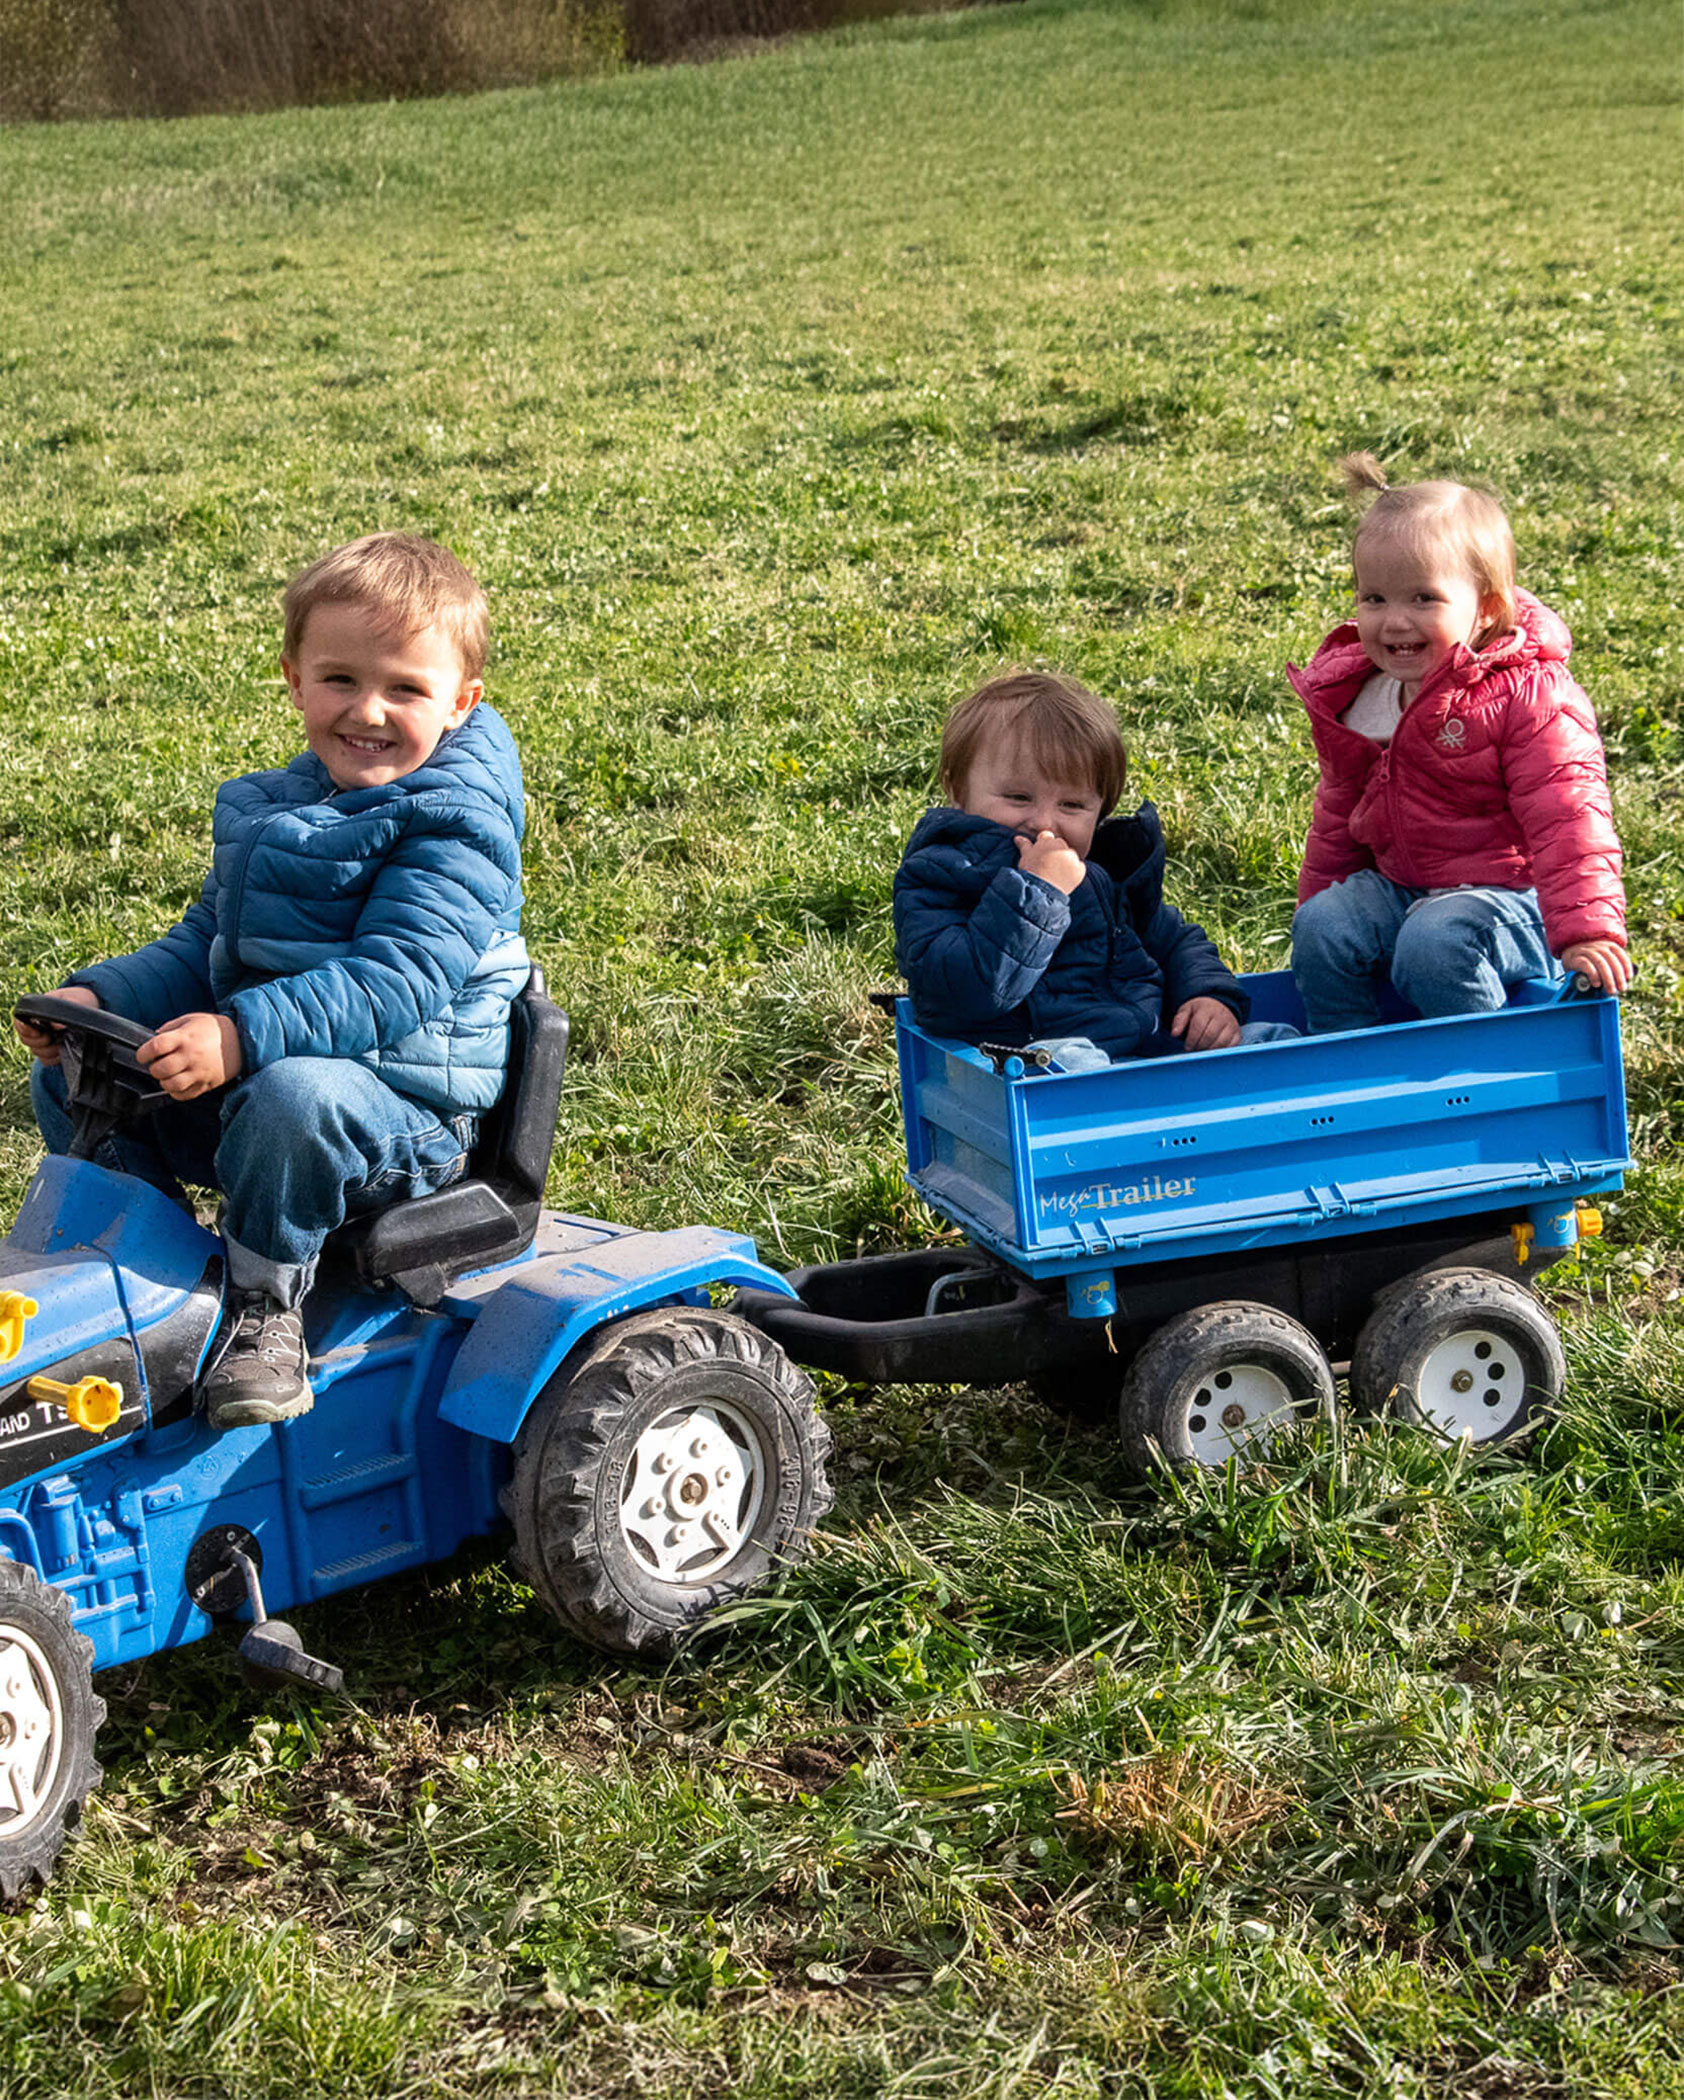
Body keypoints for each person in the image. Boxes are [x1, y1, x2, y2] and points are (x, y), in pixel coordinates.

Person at [15, 533, 527, 1429]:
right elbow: (204, 944)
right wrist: (102, 998)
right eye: (341, 680)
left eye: (406, 687)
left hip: (407, 1123)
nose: (369, 710)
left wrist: (239, 1034)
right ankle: (165, 1286)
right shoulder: (277, 808)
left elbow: (394, 979)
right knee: (76, 1079)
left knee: (299, 1099)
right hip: (271, 1087)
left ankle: (264, 1307)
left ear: (460, 703)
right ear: (294, 679)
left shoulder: (456, 826)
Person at [1290, 454, 1630, 1034]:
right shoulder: (1362, 696)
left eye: (1423, 599)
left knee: (1434, 941)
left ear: (1486, 610)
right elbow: (1339, 817)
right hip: (1404, 886)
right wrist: (1315, 909)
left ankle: (1483, 1075)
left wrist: (1587, 929)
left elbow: (1568, 818)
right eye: (1374, 598)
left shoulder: (1528, 695)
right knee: (1324, 926)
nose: (1394, 620)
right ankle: (1347, 1062)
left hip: (1513, 903)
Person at [893, 670, 1290, 1068]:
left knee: (1275, 1041)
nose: (1045, 823)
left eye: (1072, 806)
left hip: (1139, 1048)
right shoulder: (940, 874)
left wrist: (1207, 995)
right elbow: (964, 992)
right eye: (1018, 797)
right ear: (957, 790)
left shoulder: (1105, 870)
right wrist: (1036, 892)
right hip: (1028, 1060)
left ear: (1102, 809)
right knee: (1073, 1067)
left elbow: (1172, 939)